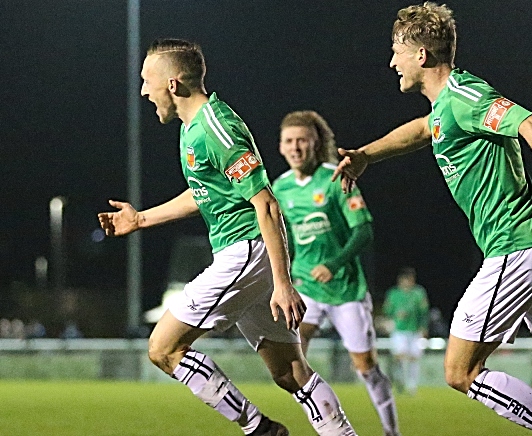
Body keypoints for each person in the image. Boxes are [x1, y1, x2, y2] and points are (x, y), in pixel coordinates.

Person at [332, 3, 532, 435]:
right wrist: (366, 154)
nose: (392, 62)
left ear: (421, 54)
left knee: (460, 371)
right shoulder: (446, 108)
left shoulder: (465, 97)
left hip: (516, 246)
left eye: (396, 51)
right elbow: (424, 130)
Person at [98, 39, 356, 436]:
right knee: (291, 374)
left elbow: (266, 203)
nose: (143, 91)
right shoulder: (192, 130)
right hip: (252, 257)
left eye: (147, 81)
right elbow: (205, 193)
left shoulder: (216, 127)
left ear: (173, 83)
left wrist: (284, 284)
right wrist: (142, 219)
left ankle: (259, 428)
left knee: (163, 348)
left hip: (248, 252)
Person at [272, 110, 399, 436]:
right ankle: (325, 420)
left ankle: (391, 431)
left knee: (366, 368)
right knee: (292, 360)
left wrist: (334, 263)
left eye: (302, 140)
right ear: (281, 147)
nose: (295, 147)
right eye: (289, 141)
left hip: (346, 289)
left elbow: (364, 230)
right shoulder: (280, 188)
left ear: (316, 143)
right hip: (306, 287)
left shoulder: (335, 177)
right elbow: (280, 237)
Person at [383, 267, 429, 396]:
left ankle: (412, 385)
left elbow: (424, 311)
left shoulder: (418, 293)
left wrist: (424, 327)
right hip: (399, 330)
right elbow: (387, 310)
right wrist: (396, 315)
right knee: (400, 356)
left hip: (415, 330)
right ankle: (399, 380)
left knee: (414, 358)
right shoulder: (394, 293)